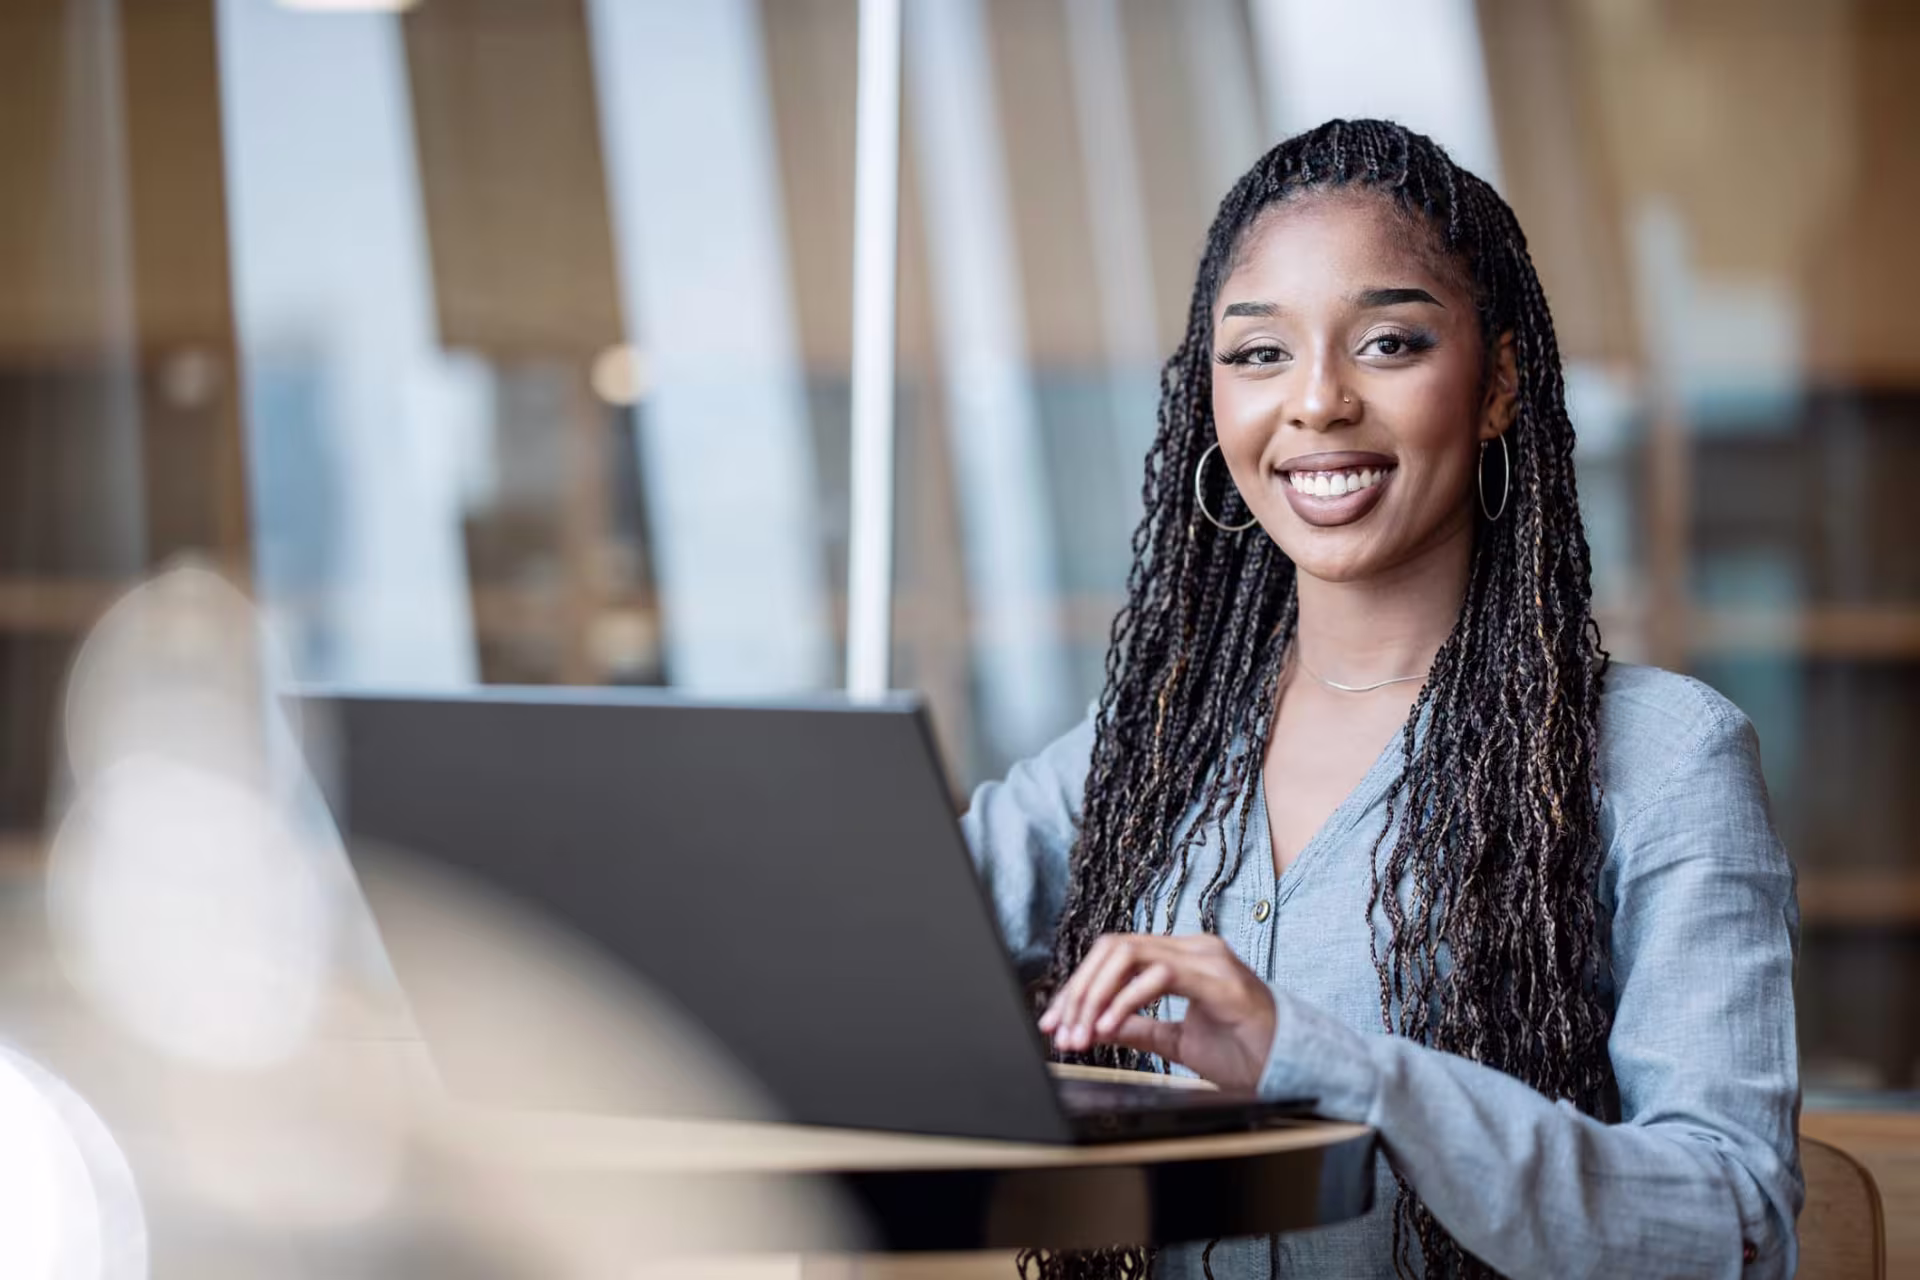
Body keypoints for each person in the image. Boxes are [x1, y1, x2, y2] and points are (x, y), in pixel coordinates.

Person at [961, 119, 1800, 1279]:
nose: (1316, 402)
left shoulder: (1663, 760)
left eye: (1390, 342)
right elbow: (872, 938)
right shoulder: (1141, 755)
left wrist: (1324, 1059)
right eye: (1258, 353)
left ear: (1498, 381)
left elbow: (1733, 1224)